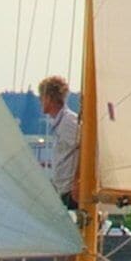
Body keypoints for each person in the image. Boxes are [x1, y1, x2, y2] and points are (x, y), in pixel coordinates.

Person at [36, 76, 82, 210]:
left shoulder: (68, 122)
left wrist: (78, 181)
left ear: (48, 98)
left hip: (72, 192)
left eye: (41, 98)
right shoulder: (60, 122)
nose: (40, 102)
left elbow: (88, 148)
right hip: (64, 190)